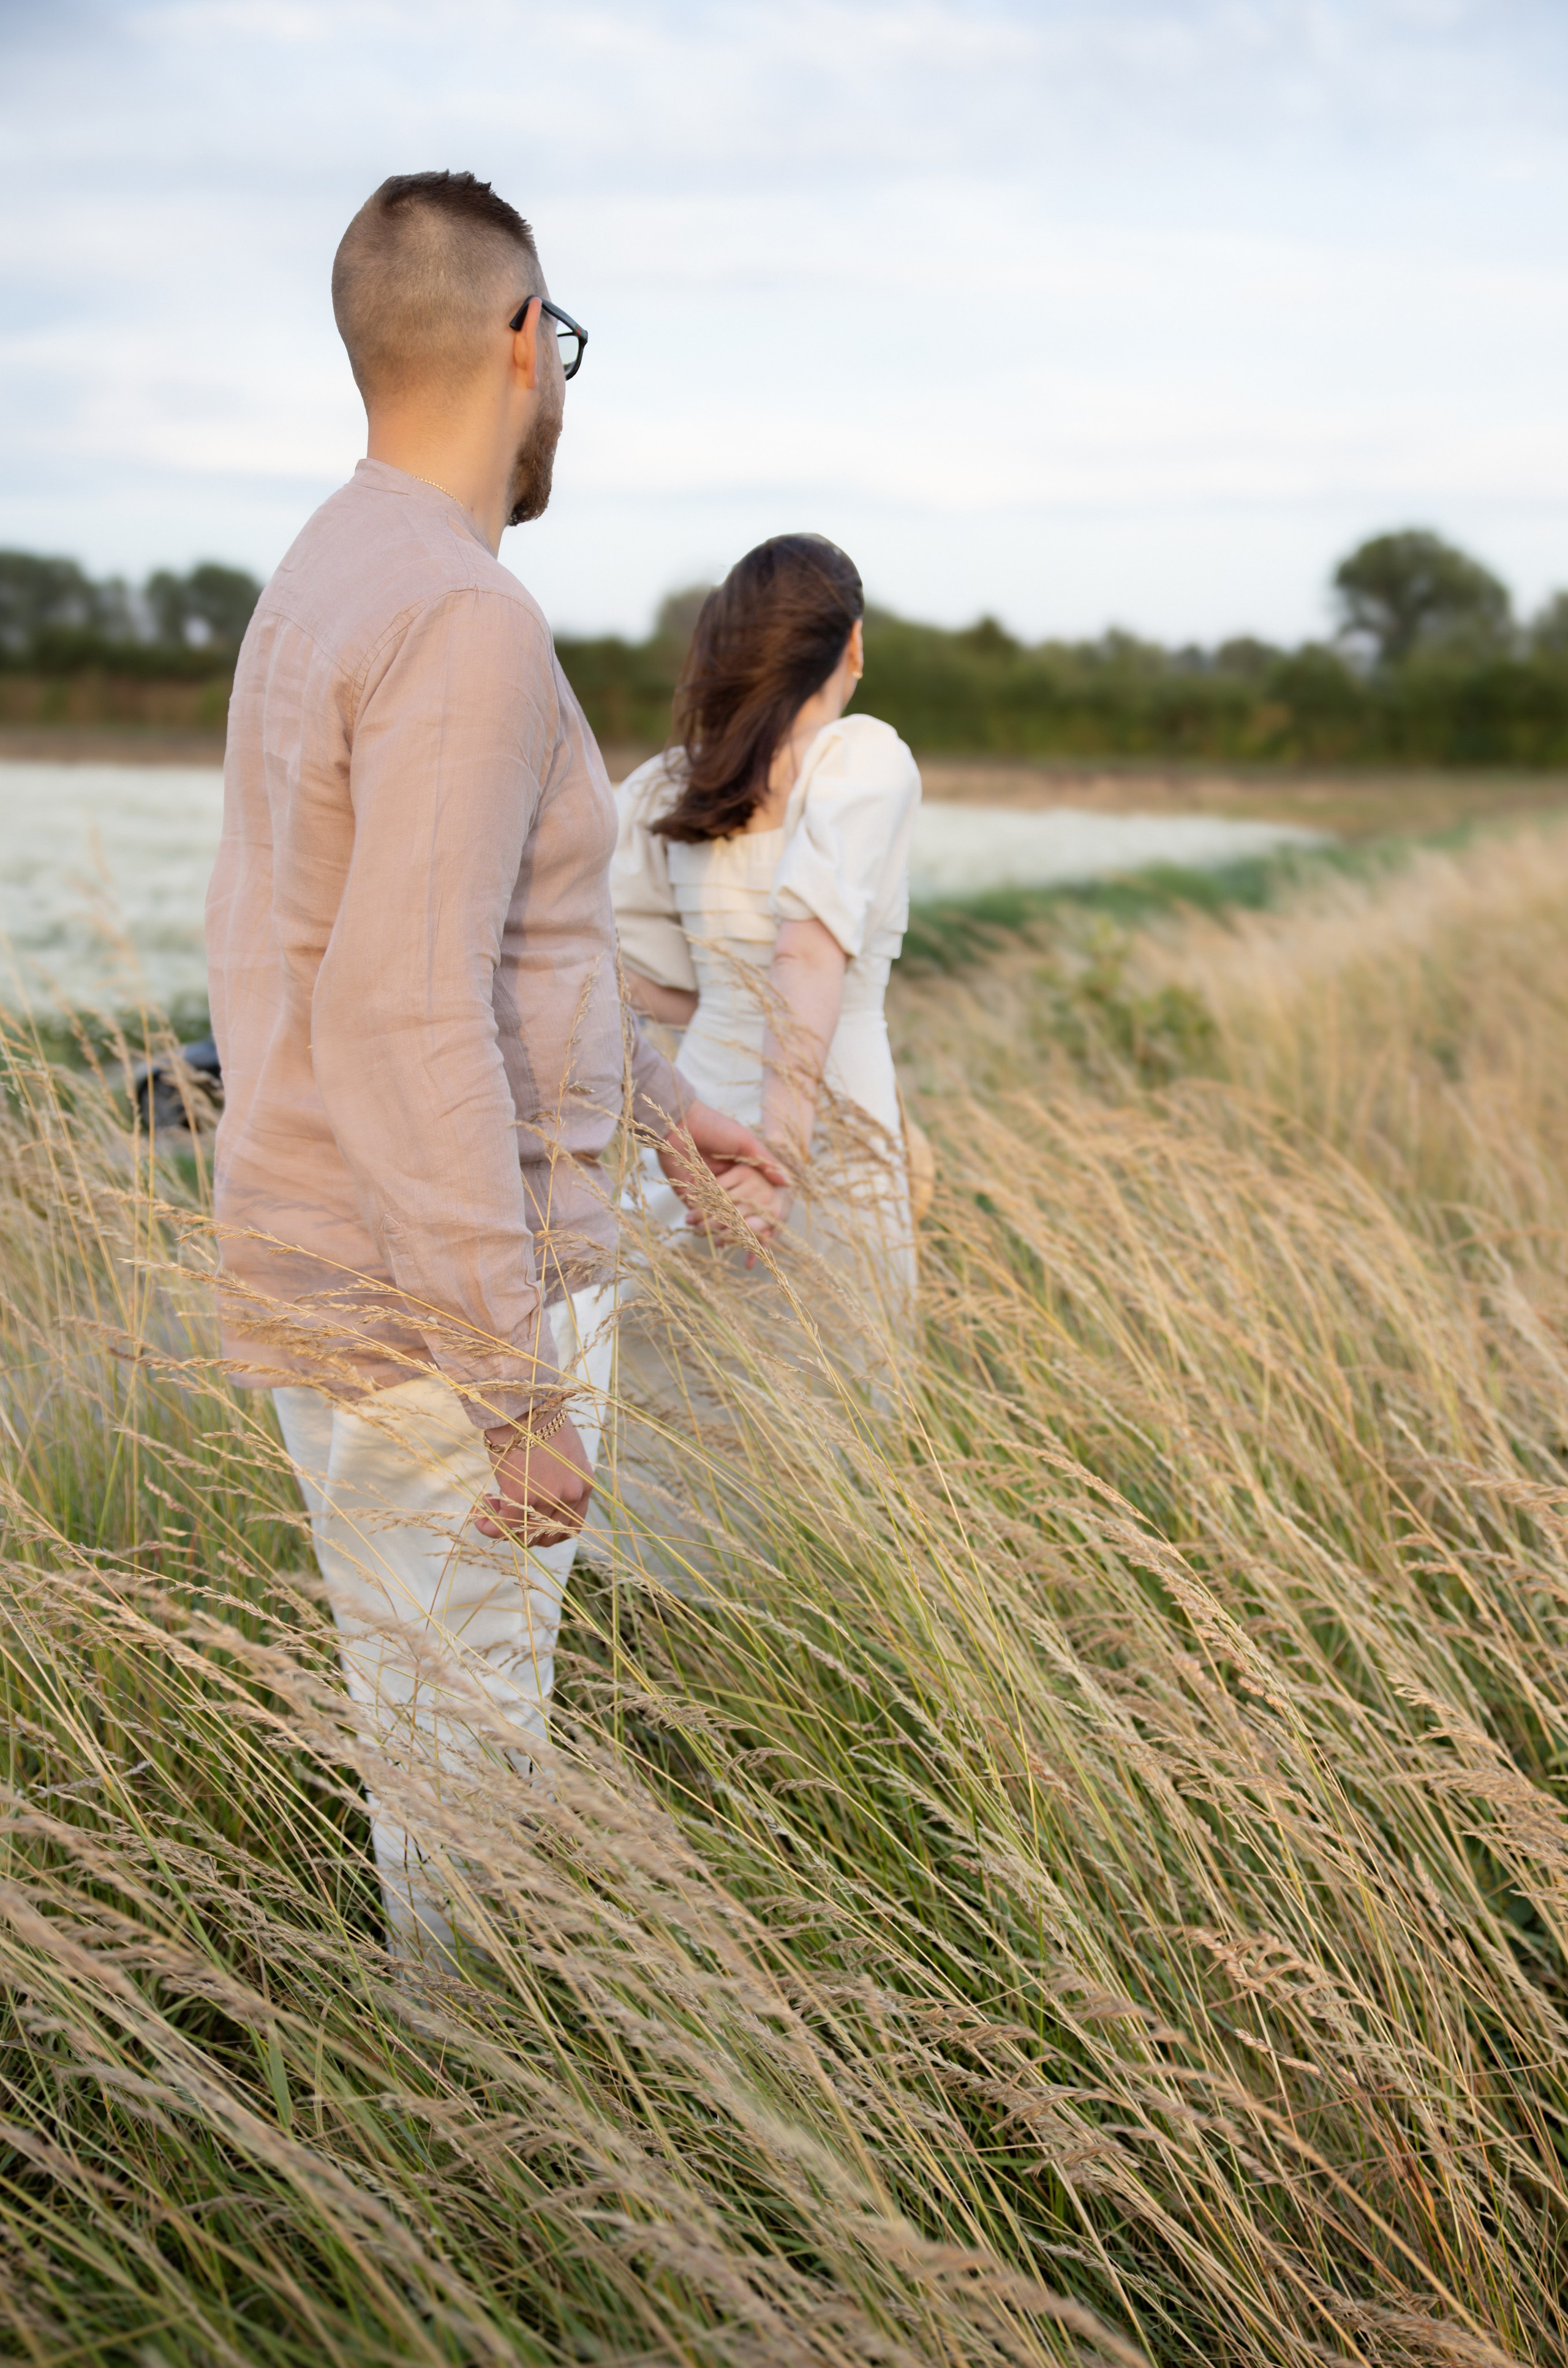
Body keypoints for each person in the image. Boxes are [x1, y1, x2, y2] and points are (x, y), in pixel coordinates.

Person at [205, 171, 782, 1956]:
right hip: (441, 1311)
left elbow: (478, 953)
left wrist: (676, 1112)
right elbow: (405, 1006)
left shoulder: (321, 571)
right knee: (470, 1805)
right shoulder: (467, 616)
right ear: (522, 341)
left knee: (423, 1764)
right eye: (568, 347)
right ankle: (468, 2189)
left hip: (339, 1278)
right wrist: (513, 1380)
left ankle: (434, 2130)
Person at [611, 534, 922, 1313]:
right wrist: (782, 1154)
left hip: (699, 1121)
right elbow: (808, 952)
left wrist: (728, 1004)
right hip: (828, 1117)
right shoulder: (861, 760)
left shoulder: (669, 785)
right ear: (852, 643)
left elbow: (626, 979)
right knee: (835, 1387)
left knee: (682, 1396)